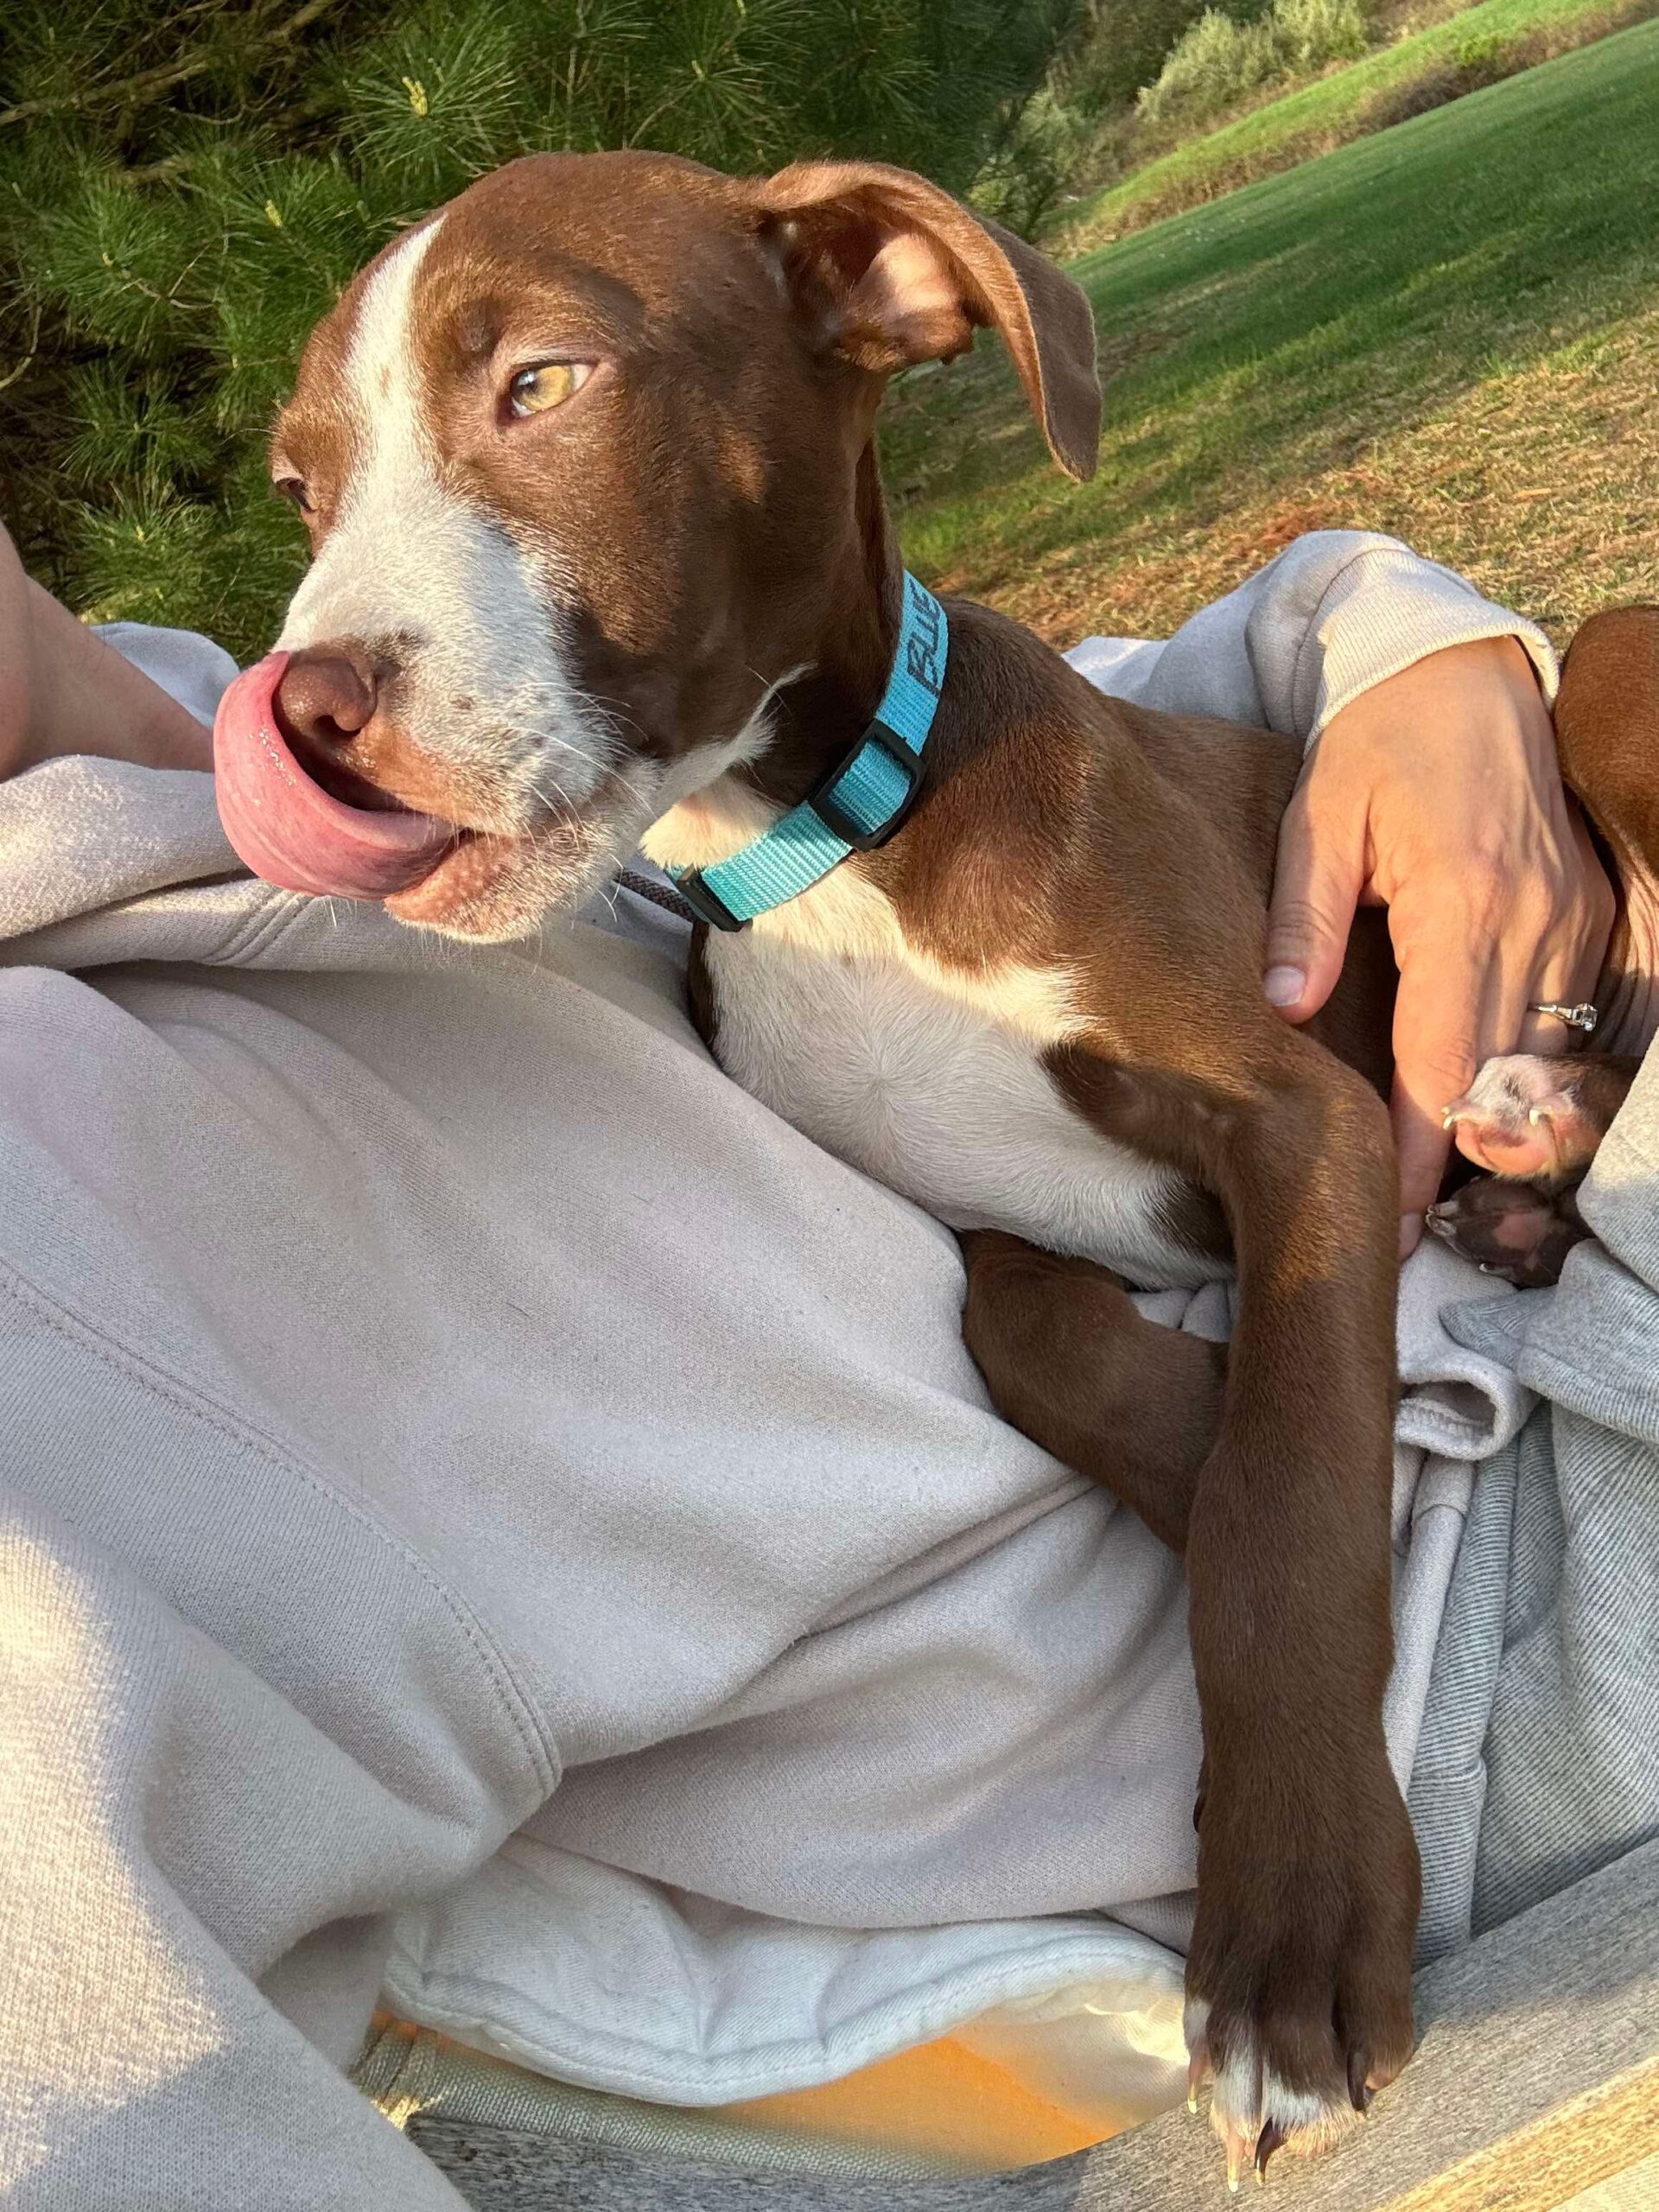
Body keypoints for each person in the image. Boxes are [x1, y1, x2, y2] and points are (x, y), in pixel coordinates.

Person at [2, 517, 1653, 2208]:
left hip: (1479, 1268)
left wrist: (1407, 654)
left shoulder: (373, 722)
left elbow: (1010, 744)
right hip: (1458, 1652)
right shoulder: (49, 1198)